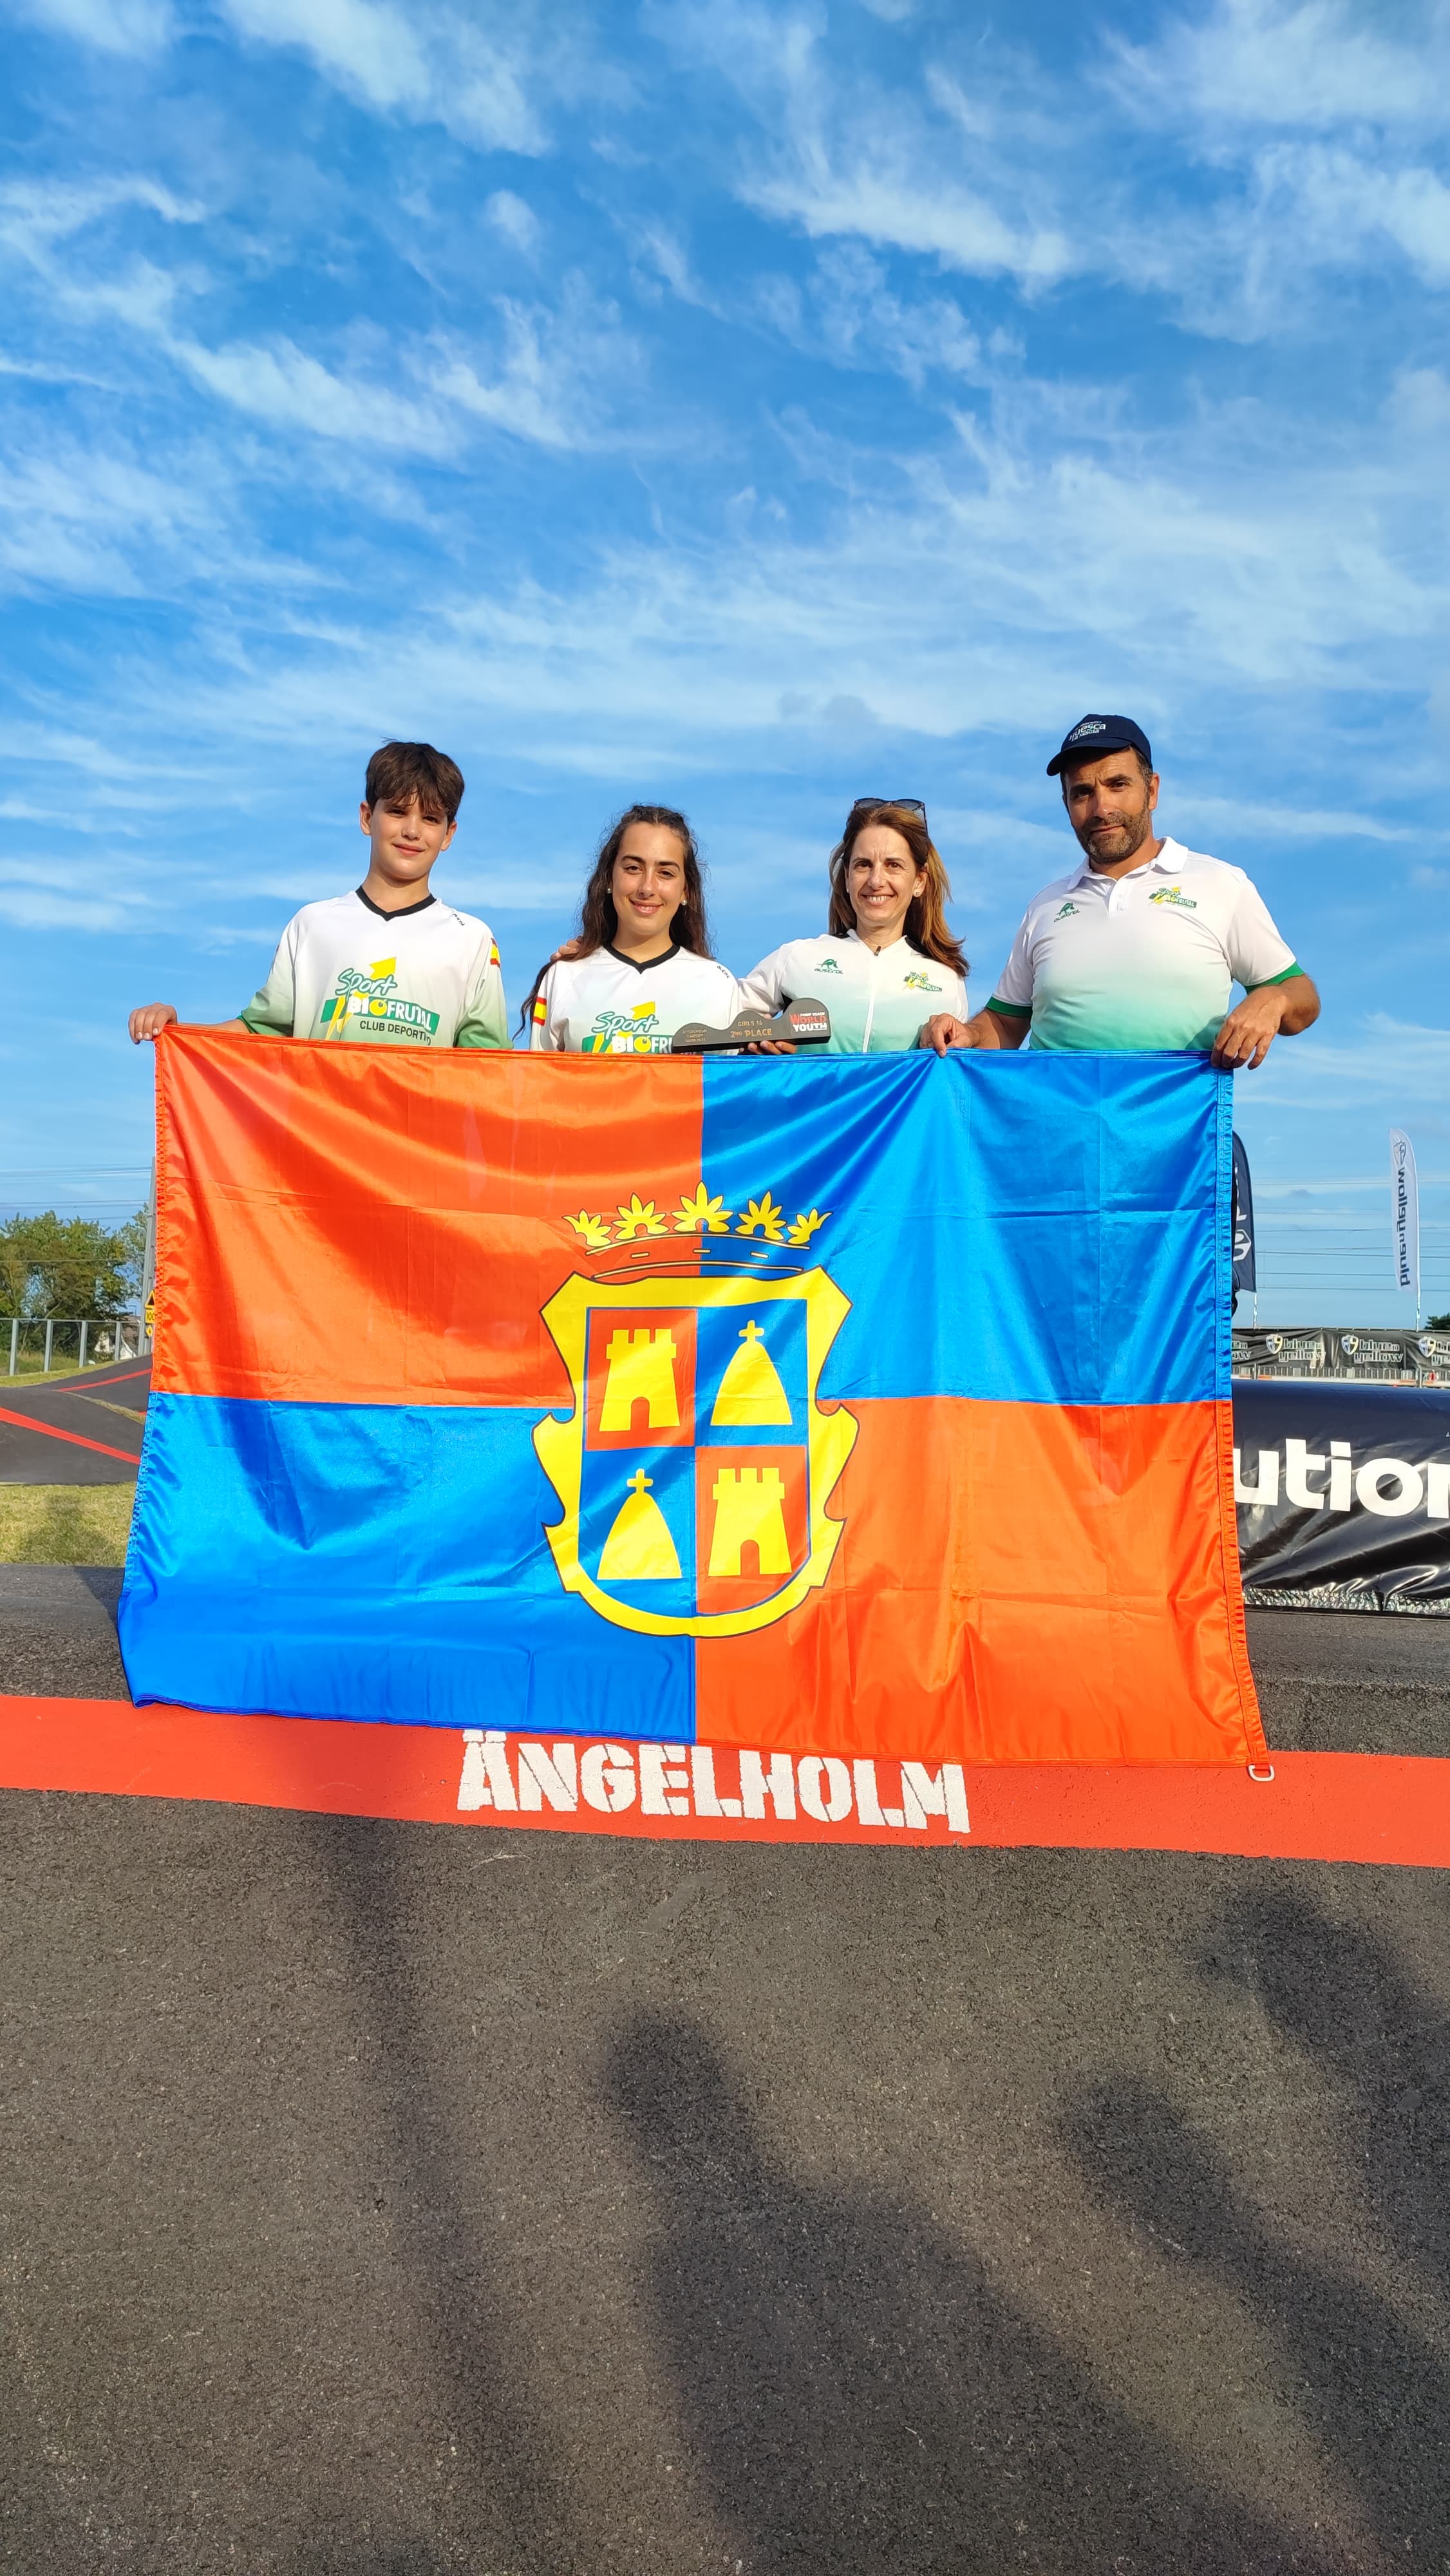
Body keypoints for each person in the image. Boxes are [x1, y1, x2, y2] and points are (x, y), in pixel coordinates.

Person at [921, 716, 1319, 1067]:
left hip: (1176, 1142)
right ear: (1066, 803)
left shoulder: (1220, 884)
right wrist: (968, 1034)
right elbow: (1006, 1024)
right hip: (1055, 1142)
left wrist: (1275, 1001)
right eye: (1082, 793)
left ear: (1152, 791)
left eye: (1118, 785)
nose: (1101, 807)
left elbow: (1302, 997)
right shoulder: (1046, 906)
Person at [127, 740, 507, 1052]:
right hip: (317, 1143)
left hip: (420, 1144)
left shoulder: (471, 939)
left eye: (430, 818)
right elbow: (260, 1031)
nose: (411, 831)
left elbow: (487, 1068)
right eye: (396, 812)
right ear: (366, 817)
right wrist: (178, 1031)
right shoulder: (312, 925)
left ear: (449, 834)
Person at [740, 799, 967, 1053]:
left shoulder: (946, 981)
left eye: (893, 865)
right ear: (847, 877)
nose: (876, 880)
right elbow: (721, 1022)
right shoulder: (796, 958)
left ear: (919, 881)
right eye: (863, 865)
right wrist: (751, 1045)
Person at [524, 804, 740, 1053]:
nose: (647, 887)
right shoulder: (563, 977)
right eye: (633, 868)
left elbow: (732, 1088)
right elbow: (538, 1086)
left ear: (685, 891)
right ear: (609, 878)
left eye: (666, 873)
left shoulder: (717, 984)